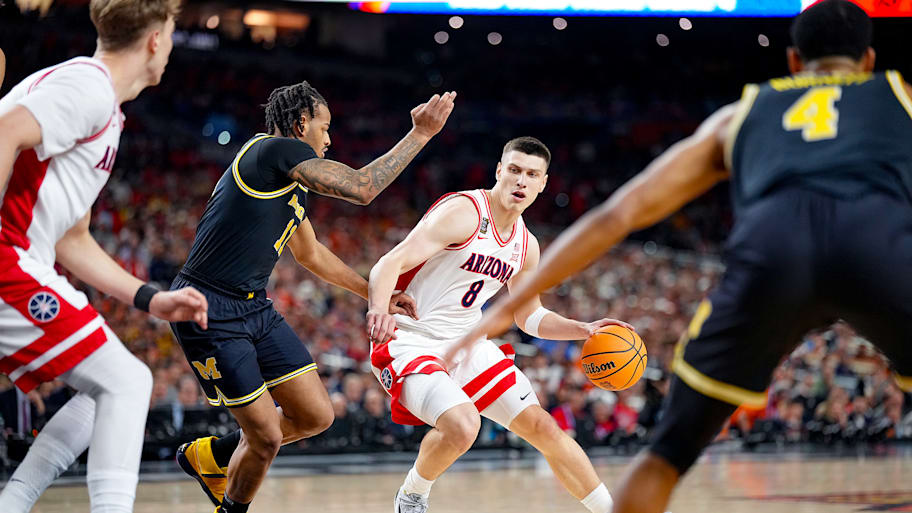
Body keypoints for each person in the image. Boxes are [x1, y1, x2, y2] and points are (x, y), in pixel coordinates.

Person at [451, 2, 912, 512]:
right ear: (869, 61)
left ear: (794, 62)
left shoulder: (740, 115)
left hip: (772, 256)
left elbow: (617, 216)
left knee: (666, 454)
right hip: (882, 247)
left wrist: (489, 321)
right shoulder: (901, 97)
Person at [171, 82, 456, 513]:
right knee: (265, 437)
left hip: (253, 305)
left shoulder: (287, 177)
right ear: (301, 123)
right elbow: (362, 188)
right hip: (208, 307)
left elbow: (311, 255)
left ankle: (211, 455)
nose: (329, 139)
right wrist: (420, 134)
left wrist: (377, 295)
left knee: (315, 416)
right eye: (324, 128)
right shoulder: (272, 151)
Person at [0, 1, 210, 512]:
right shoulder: (88, 87)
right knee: (128, 382)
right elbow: (3, 133)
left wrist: (150, 299)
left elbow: (74, 239)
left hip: (29, 261)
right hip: (9, 261)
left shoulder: (93, 99)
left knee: (105, 392)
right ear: (156, 39)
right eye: (173, 32)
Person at [366, 136, 631, 513]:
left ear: (543, 183)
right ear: (499, 171)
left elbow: (529, 317)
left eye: (532, 175)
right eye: (515, 171)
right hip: (410, 339)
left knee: (544, 428)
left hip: (467, 343)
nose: (521, 182)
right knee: (463, 425)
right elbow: (389, 263)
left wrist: (583, 329)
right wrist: (377, 308)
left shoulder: (526, 245)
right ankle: (412, 494)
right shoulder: (464, 211)